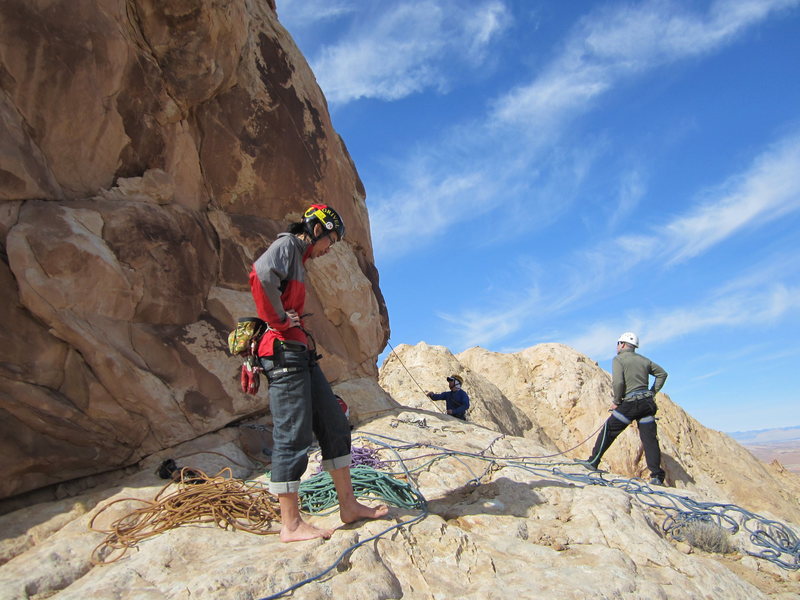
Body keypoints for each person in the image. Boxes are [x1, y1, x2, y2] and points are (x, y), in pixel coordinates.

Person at [249, 204, 388, 542]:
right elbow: (260, 273)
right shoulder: (287, 246)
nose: (330, 248)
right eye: (331, 240)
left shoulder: (298, 256)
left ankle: (349, 506)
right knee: (292, 434)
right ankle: (291, 525)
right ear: (316, 229)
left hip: (300, 353)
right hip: (282, 351)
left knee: (335, 423)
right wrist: (280, 320)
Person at [577, 332, 668, 485]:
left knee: (609, 429)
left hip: (631, 403)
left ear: (623, 344)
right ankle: (657, 476)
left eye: (618, 343)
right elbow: (662, 374)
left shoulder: (619, 359)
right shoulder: (644, 360)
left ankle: (593, 461)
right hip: (647, 404)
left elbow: (618, 382)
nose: (617, 346)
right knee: (649, 439)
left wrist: (617, 401)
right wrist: (652, 392)